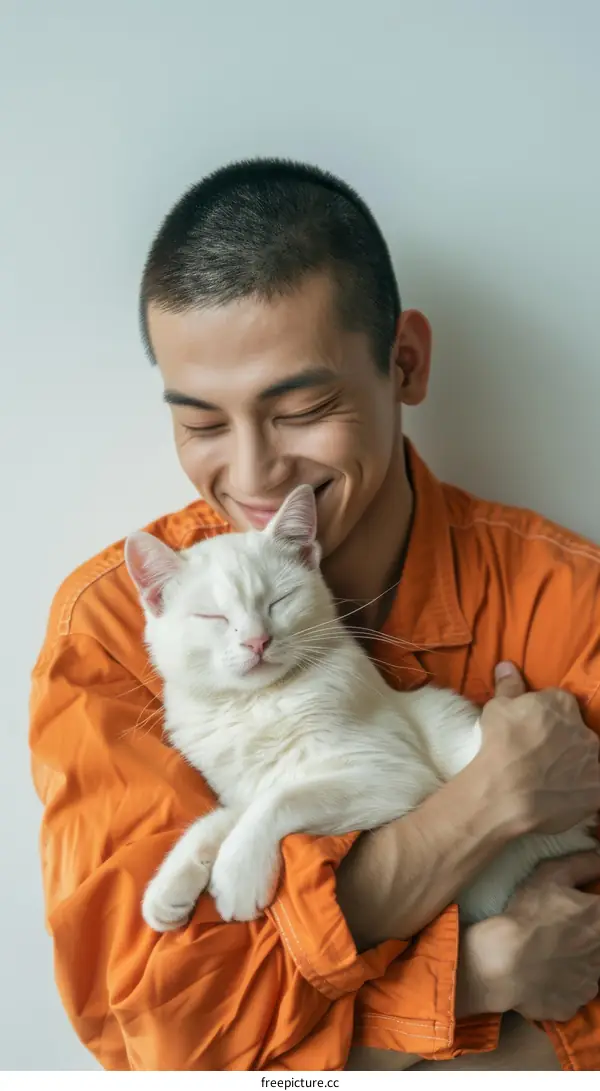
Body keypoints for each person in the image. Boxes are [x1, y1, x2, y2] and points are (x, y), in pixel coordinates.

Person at [30, 158, 600, 1073]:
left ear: (405, 363)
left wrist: (318, 1006)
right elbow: (165, 1032)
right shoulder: (109, 632)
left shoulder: (569, 602)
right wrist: (470, 967)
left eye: (301, 407)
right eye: (203, 425)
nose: (253, 477)